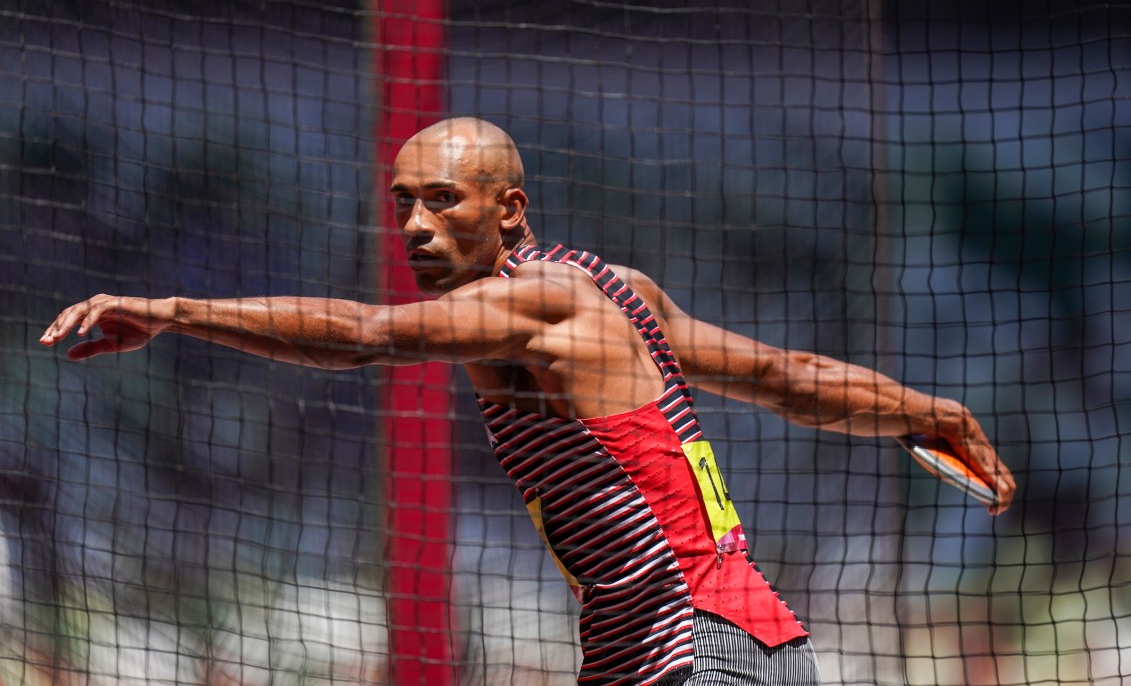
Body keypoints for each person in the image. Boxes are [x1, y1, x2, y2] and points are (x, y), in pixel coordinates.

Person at [41, 117, 1015, 686]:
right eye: (404, 205)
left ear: (510, 208)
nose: (417, 227)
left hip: (696, 650)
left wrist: (170, 310)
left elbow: (365, 336)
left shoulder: (533, 305)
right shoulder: (611, 286)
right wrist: (925, 412)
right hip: (728, 647)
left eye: (444, 202)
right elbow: (786, 379)